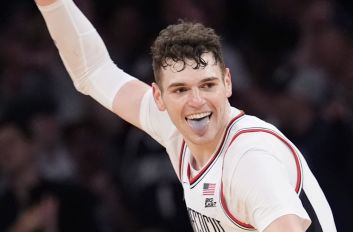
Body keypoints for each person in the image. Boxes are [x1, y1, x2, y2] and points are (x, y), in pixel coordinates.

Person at [34, 0, 336, 231]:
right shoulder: (176, 129)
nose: (196, 102)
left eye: (207, 85)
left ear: (227, 83)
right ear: (159, 98)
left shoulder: (249, 159)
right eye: (179, 90)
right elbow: (93, 71)